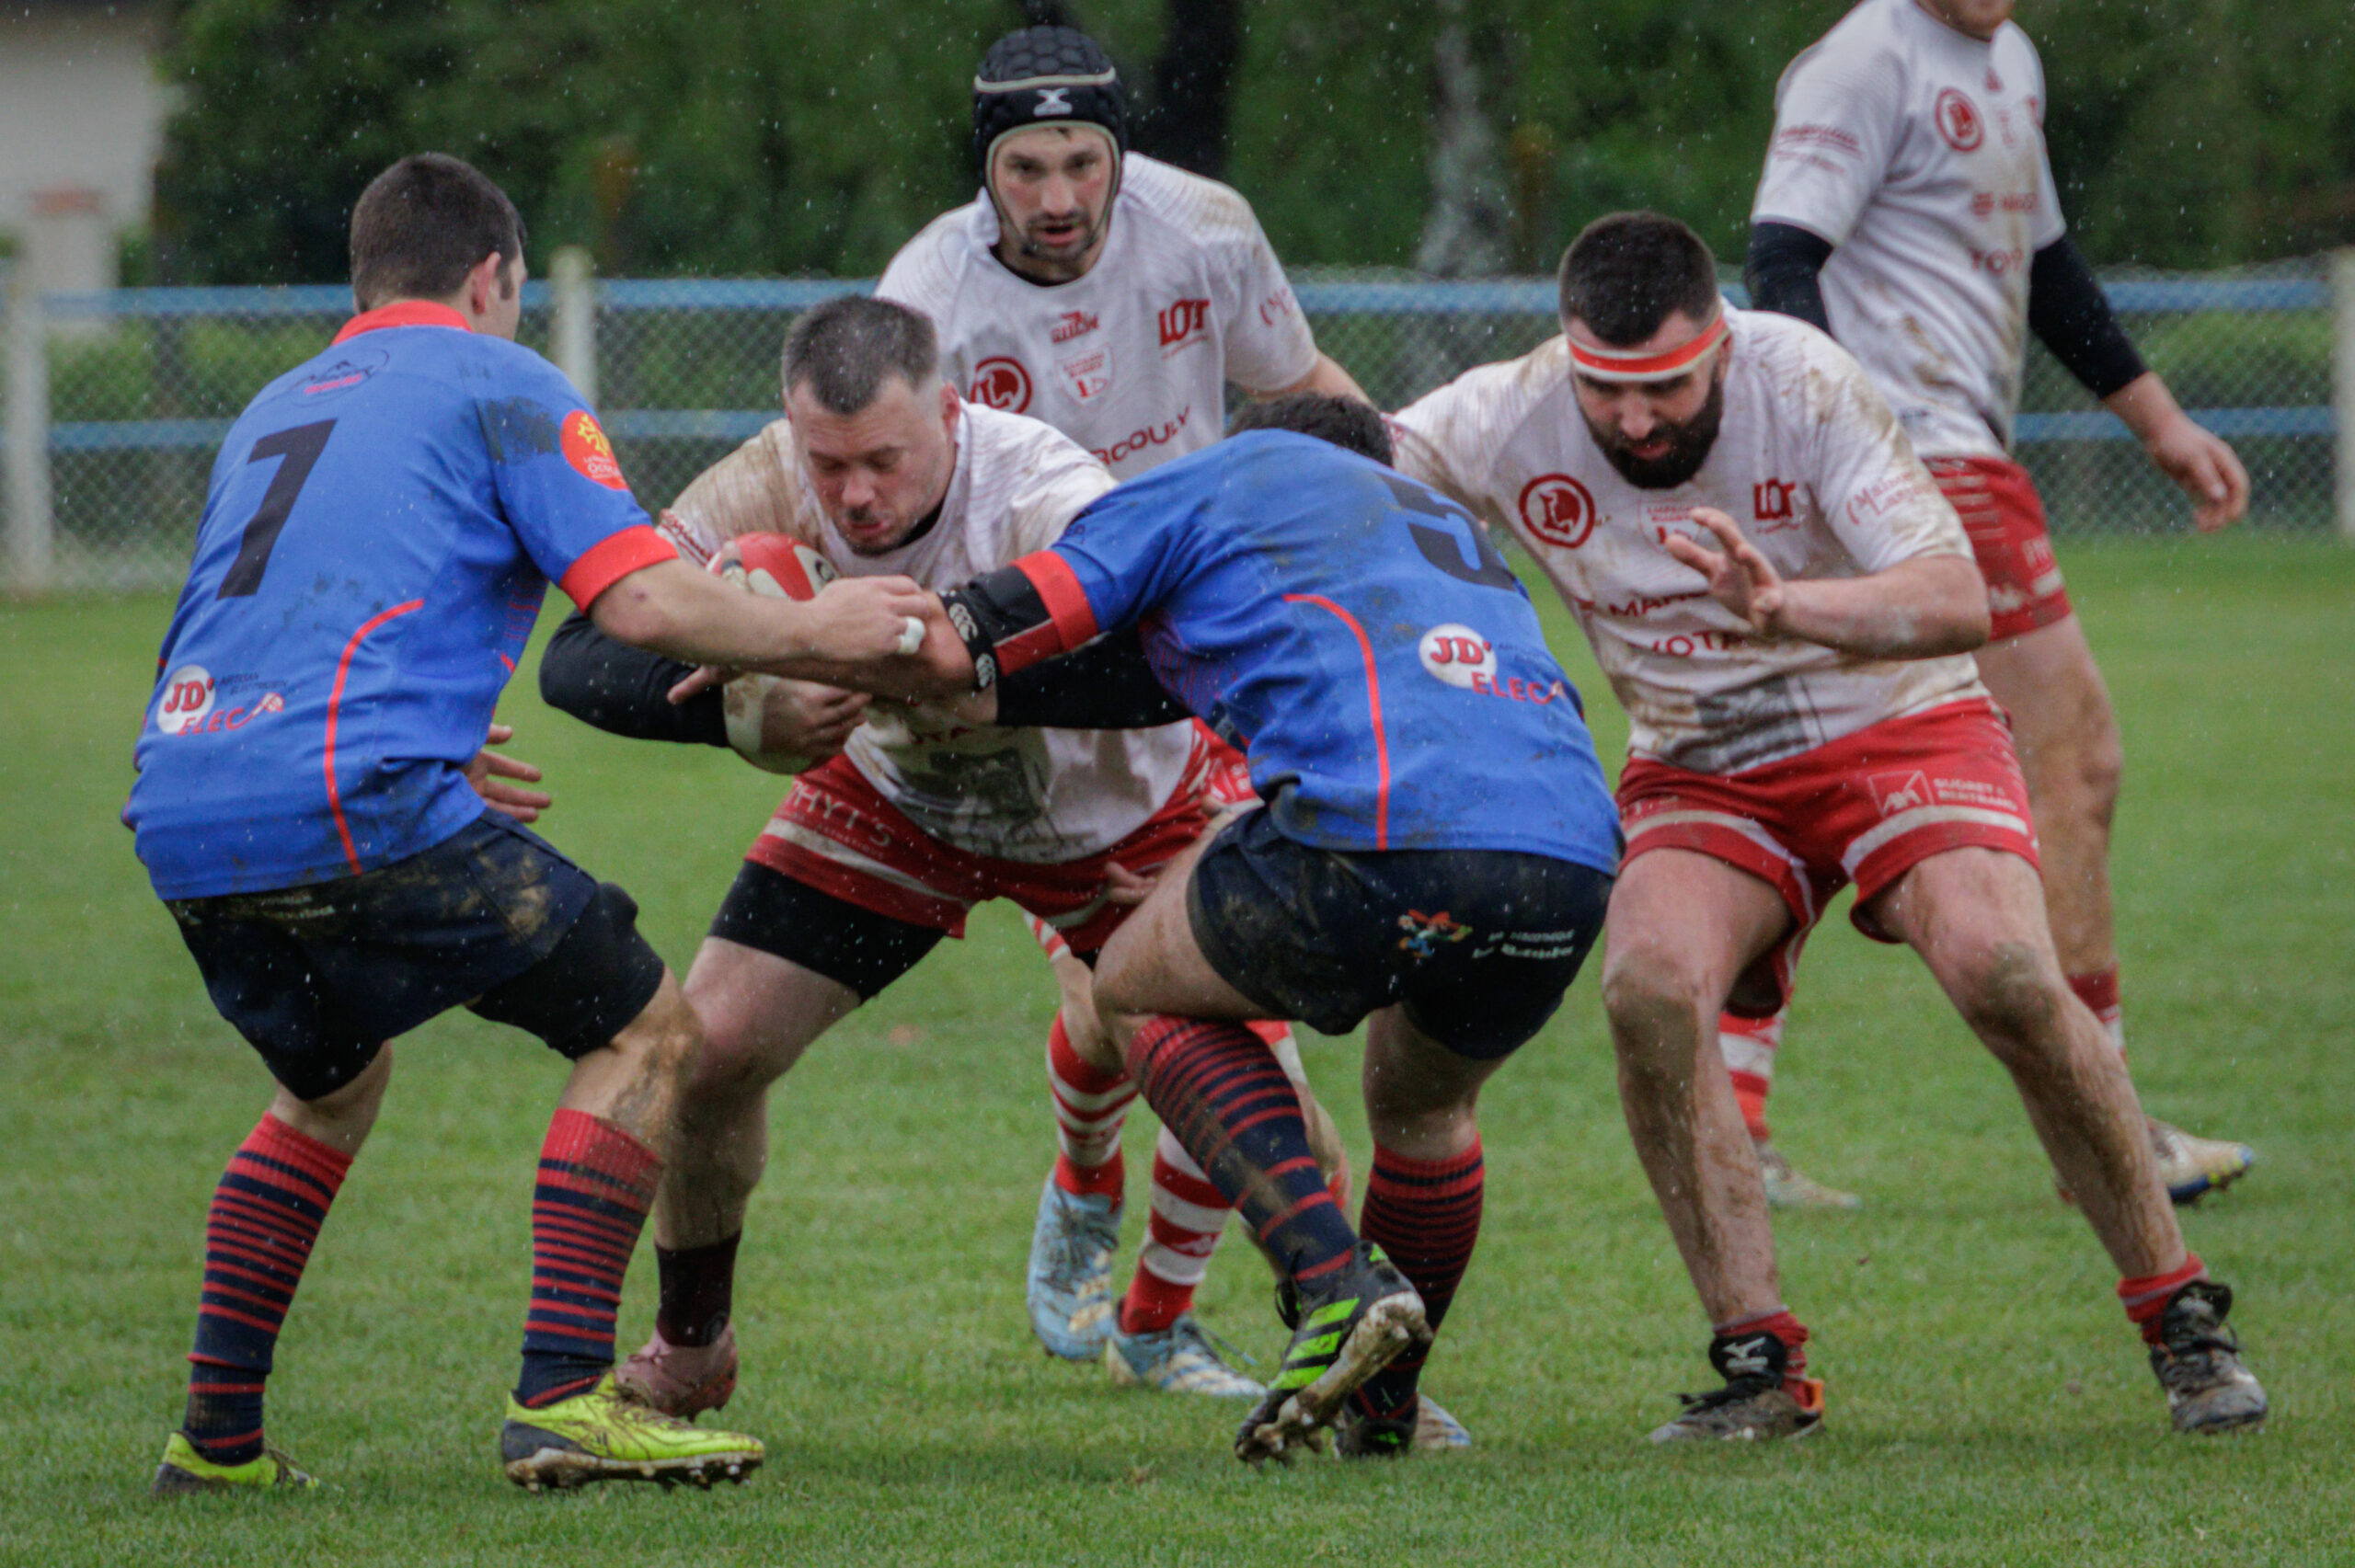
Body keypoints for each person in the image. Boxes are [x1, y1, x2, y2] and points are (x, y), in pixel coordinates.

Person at [126, 155, 934, 1495]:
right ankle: (564, 1397)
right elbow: (642, 601)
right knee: (647, 1028)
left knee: (329, 1086)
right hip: (353, 788)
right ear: (493, 275)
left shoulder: (278, 402)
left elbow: (259, 611)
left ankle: (214, 1445)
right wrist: (817, 629)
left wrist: (424, 734)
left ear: (367, 280)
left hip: (188, 795)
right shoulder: (501, 380)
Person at [1386, 210, 2265, 1440]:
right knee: (1647, 987)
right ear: (1566, 350)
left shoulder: (1804, 381)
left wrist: (1785, 605)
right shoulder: (1503, 411)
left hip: (1899, 720)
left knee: (2003, 968)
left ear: (1720, 342)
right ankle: (1757, 1363)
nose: (1633, 422)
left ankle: (2182, 1320)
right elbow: (1340, 470)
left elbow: (1956, 597)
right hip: (1701, 763)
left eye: (1665, 388)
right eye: (1604, 389)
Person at [536, 293, 1346, 1417]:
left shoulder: (1041, 488)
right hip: (896, 807)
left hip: (1117, 818)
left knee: (1284, 1133)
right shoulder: (764, 476)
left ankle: (1361, 1367)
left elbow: (1170, 662)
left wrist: (954, 675)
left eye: (885, 459)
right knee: (708, 1055)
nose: (854, 495)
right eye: (830, 464)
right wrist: (732, 712)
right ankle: (691, 1346)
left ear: (953, 415)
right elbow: (580, 652)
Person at [825, 393, 1623, 1462]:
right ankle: (1384, 1413)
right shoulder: (1441, 530)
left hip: (1389, 826)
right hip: (1569, 852)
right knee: (1423, 1109)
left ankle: (1331, 1279)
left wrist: (790, 642)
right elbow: (1145, 683)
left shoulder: (1227, 478)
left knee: (1130, 983)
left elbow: (986, 626)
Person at [875, 23, 1384, 1402]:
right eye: (1024, 168)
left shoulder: (1205, 230)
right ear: (985, 169)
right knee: (1130, 1004)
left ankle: (1158, 1319)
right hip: (1038, 677)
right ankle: (1090, 1185)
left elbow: (1301, 389)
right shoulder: (928, 294)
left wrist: (1412, 517)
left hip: (1207, 658)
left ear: (1119, 156)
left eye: (1080, 162)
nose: (1055, 196)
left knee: (1228, 1018)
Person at [1739, 0, 2255, 1207]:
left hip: (1929, 458)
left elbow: (2047, 271)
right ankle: (2106, 1128)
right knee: (2073, 759)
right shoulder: (1868, 57)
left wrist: (2161, 426)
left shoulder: (2008, 57)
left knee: (1813, 773)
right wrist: (1846, 453)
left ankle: (1733, 1121)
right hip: (1927, 462)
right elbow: (1778, 258)